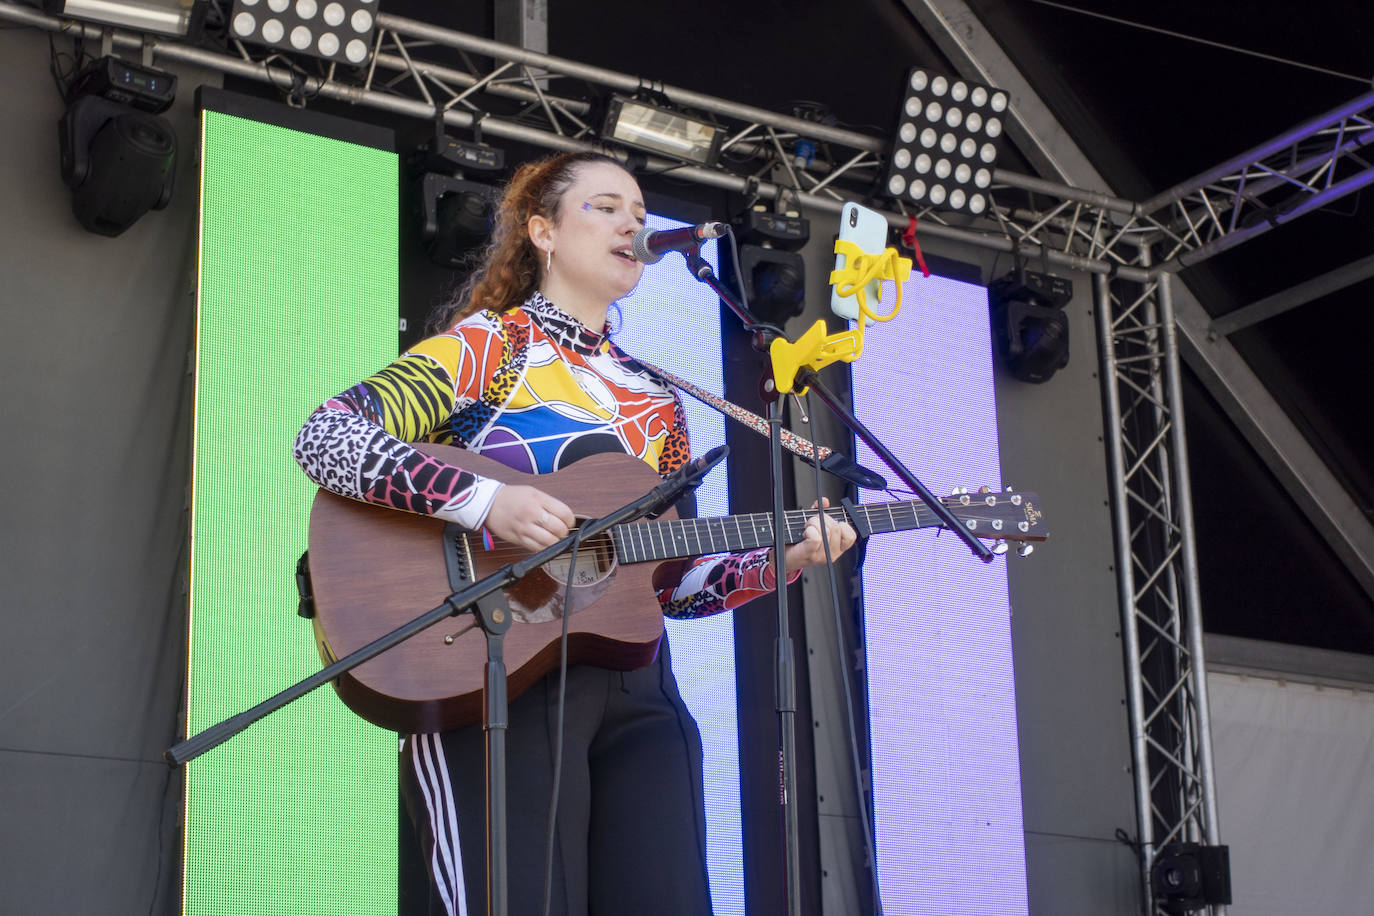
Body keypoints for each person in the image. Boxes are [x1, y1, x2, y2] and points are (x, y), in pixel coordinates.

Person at [294, 150, 856, 916]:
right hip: (490, 672)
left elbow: (672, 586)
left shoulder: (660, 400)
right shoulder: (493, 347)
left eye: (637, 208)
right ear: (542, 233)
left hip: (638, 694)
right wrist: (483, 501)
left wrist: (778, 561)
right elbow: (327, 437)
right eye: (604, 206)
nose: (633, 220)